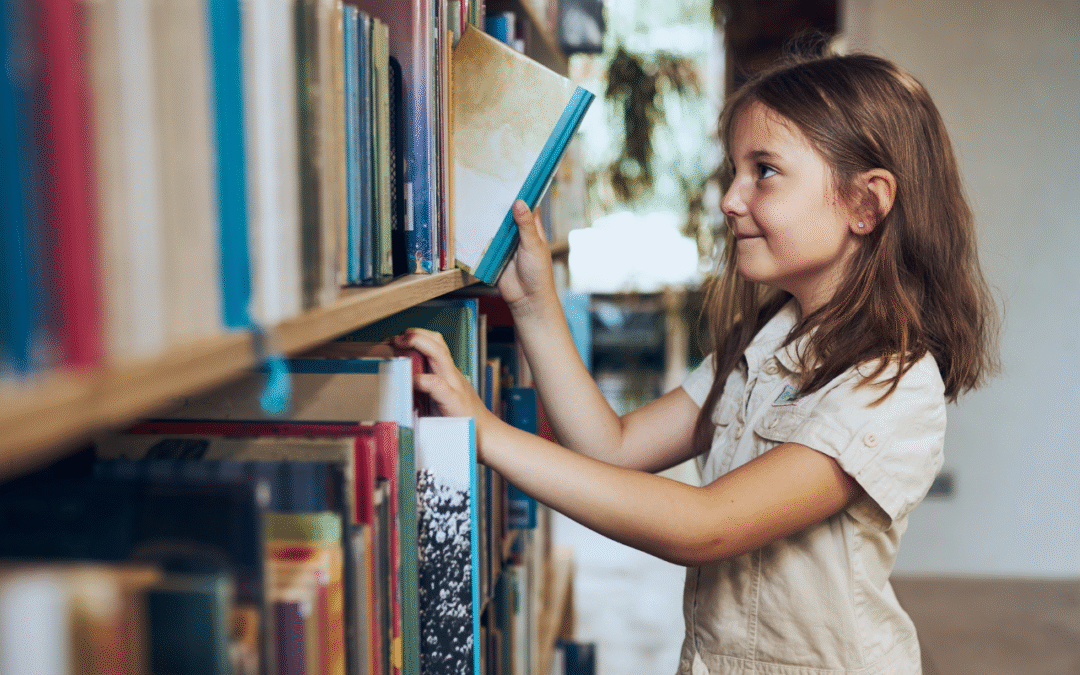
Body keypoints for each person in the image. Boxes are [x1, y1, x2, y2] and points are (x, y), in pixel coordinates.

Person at [395, 49, 999, 675]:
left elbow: (705, 526)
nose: (730, 199)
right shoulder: (760, 344)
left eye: (764, 171)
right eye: (734, 171)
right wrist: (534, 304)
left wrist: (485, 434)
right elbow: (613, 448)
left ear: (866, 205)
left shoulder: (888, 383)